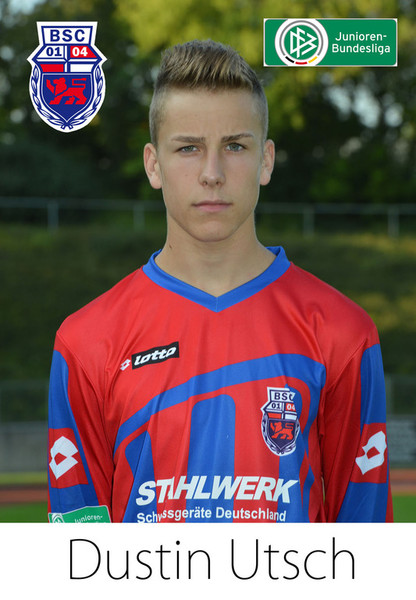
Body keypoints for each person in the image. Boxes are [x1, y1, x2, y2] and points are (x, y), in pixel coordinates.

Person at [47, 39, 393, 523]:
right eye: (188, 148)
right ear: (153, 165)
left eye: (235, 146)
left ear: (266, 161)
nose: (212, 174)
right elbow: (75, 552)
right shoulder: (86, 342)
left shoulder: (342, 333)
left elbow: (366, 547)